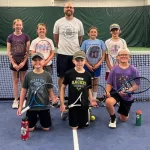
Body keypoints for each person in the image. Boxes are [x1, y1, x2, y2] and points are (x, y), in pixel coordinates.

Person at [17, 52, 58, 131]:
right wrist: (20, 106)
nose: (37, 62)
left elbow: (50, 90)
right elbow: (23, 91)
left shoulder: (47, 75)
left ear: (43, 61)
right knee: (30, 129)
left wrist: (53, 99)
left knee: (46, 128)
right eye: (35, 60)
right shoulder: (28, 75)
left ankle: (40, 118)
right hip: (31, 106)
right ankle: (34, 119)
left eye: (39, 60)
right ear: (32, 62)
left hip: (44, 106)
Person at [60, 51, 97, 129]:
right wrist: (62, 103)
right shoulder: (69, 73)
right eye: (77, 60)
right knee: (74, 127)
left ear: (85, 61)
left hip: (84, 103)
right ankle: (67, 112)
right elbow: (63, 88)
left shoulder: (88, 75)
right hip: (72, 103)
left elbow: (89, 89)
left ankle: (88, 111)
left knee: (84, 126)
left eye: (81, 60)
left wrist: (91, 99)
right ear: (73, 61)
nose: (79, 62)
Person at [53, 2, 84, 92]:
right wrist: (60, 46)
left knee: (74, 76)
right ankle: (61, 96)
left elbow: (80, 37)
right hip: (62, 54)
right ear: (64, 9)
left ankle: (72, 97)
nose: (69, 9)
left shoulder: (78, 22)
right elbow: (56, 37)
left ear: (73, 9)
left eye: (71, 7)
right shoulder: (58, 22)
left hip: (75, 55)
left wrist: (75, 46)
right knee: (62, 77)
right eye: (67, 7)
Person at [105, 48, 139, 128]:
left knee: (123, 119)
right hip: (116, 92)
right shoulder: (114, 69)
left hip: (127, 95)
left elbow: (136, 84)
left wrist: (128, 90)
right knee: (108, 102)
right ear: (117, 57)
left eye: (126, 55)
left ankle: (124, 110)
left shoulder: (133, 70)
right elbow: (109, 83)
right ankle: (113, 119)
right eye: (121, 55)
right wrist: (107, 91)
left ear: (129, 57)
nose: (123, 56)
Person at [30, 23, 59, 103]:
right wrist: (39, 62)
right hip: (37, 66)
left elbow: (52, 53)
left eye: (43, 29)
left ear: (46, 30)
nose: (41, 30)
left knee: (48, 81)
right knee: (38, 81)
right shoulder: (34, 41)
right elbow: (32, 53)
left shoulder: (49, 41)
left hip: (48, 65)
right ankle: (38, 96)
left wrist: (45, 62)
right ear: (37, 30)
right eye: (40, 29)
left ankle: (49, 97)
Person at [7, 19, 30, 109]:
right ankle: (16, 100)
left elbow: (28, 51)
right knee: (15, 81)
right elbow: (9, 51)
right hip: (14, 62)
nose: (18, 26)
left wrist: (23, 62)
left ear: (22, 26)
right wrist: (13, 63)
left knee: (23, 81)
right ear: (14, 26)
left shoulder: (26, 37)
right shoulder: (10, 37)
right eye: (17, 25)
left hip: (23, 62)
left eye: (20, 25)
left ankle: (23, 99)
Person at [81, 26, 106, 101]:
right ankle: (90, 98)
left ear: (97, 33)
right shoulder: (85, 42)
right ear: (88, 33)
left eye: (95, 32)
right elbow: (83, 54)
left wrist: (98, 63)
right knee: (89, 82)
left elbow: (103, 54)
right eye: (91, 32)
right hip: (87, 66)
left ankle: (94, 98)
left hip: (97, 65)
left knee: (95, 81)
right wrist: (87, 64)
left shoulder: (100, 42)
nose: (93, 33)